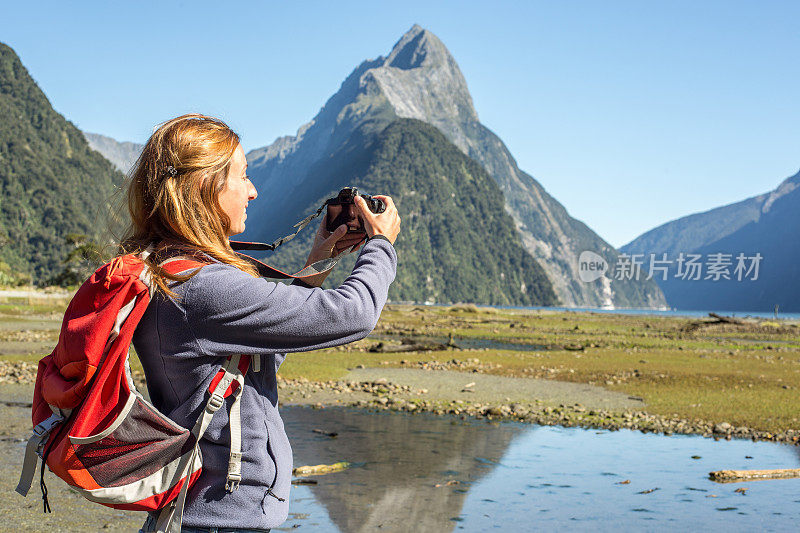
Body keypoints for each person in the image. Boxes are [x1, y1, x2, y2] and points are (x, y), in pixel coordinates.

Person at [127, 114, 400, 532]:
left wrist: (318, 262)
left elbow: (260, 350)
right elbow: (354, 313)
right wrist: (380, 244)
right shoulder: (203, 288)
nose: (253, 191)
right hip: (216, 521)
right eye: (243, 175)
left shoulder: (174, 272)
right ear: (206, 186)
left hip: (200, 515)